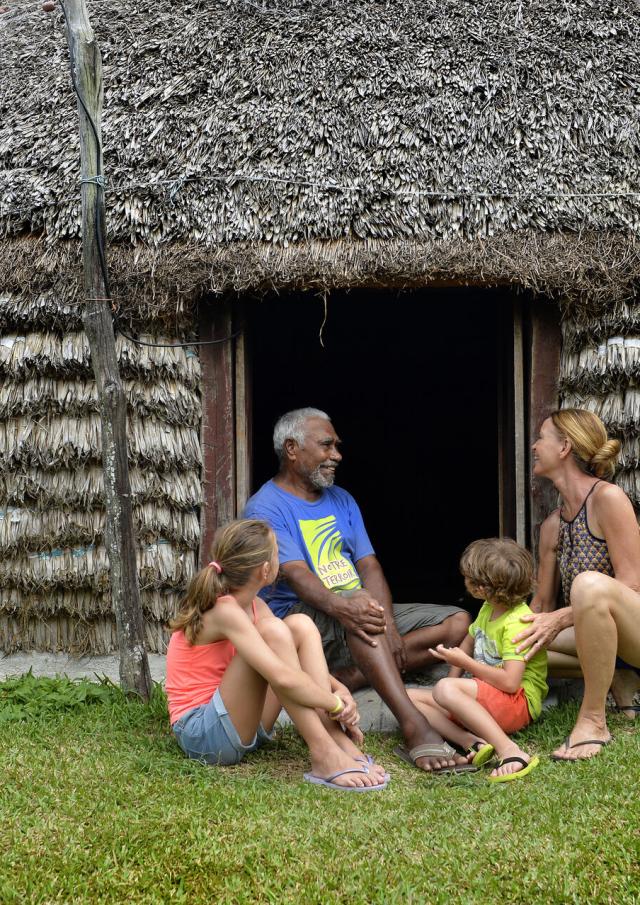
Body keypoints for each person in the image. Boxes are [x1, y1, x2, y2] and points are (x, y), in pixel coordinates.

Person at [244, 407, 475, 774]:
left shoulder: (342, 499)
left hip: (358, 611)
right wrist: (351, 609)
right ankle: (414, 725)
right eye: (326, 445)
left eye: (336, 446)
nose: (337, 455)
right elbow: (297, 576)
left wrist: (392, 629)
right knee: (361, 613)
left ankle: (358, 672)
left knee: (458, 623)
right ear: (291, 449)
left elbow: (368, 565)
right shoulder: (266, 507)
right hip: (305, 622)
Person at [165, 518, 389, 791]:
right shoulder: (224, 611)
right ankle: (323, 753)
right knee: (274, 632)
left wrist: (338, 688)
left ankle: (332, 737)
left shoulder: (256, 605)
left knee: (299, 626)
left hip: (243, 725)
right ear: (266, 570)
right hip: (203, 735)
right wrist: (335, 705)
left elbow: (288, 665)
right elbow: (282, 678)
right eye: (277, 553)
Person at [513, 408, 640, 761]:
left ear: (565, 446)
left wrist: (560, 617)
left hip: (636, 628)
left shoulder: (608, 499)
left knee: (588, 585)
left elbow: (632, 584)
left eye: (541, 437)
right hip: (602, 632)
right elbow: (540, 606)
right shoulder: (553, 525)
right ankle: (618, 677)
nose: (535, 446)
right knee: (518, 644)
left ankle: (594, 720)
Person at [406, 538, 547, 781]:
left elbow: (511, 683)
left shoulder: (517, 622)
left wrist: (462, 667)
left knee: (445, 690)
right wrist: (450, 688)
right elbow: (469, 642)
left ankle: (510, 750)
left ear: (482, 588)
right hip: (489, 698)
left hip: (518, 703)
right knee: (408, 698)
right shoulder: (487, 608)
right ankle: (473, 742)